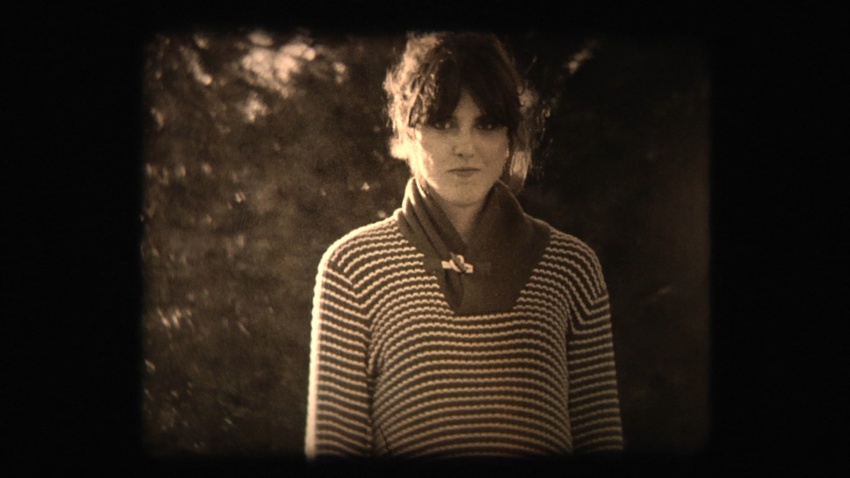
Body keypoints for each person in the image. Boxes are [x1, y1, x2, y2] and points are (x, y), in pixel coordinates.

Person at [305, 31, 623, 459]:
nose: (466, 147)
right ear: (407, 132)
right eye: (443, 123)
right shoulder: (353, 268)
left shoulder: (571, 268)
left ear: (509, 137)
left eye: (486, 125)